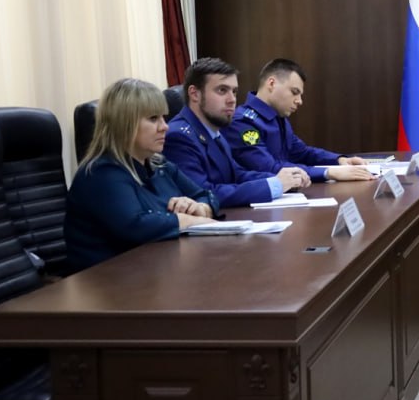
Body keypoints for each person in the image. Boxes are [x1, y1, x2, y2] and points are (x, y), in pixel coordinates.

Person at [64, 78, 218, 273]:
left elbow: (206, 195)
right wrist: (187, 220)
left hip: (154, 269)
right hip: (106, 281)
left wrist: (201, 208)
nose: (165, 126)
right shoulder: (101, 173)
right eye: (153, 119)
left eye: (163, 117)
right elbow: (135, 227)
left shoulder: (160, 164)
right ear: (123, 124)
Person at [165, 57, 310, 207]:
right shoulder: (178, 137)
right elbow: (203, 194)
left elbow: (237, 174)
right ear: (194, 94)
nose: (232, 100)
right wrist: (275, 185)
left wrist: (282, 179)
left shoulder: (213, 132)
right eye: (222, 90)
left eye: (234, 91)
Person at [227, 58, 374, 183]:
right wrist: (328, 172)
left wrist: (339, 160)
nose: (299, 101)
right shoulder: (242, 122)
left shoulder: (278, 118)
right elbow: (268, 168)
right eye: (294, 92)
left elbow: (302, 153)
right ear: (271, 84)